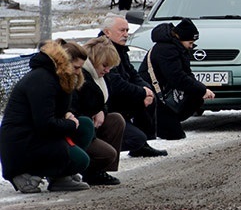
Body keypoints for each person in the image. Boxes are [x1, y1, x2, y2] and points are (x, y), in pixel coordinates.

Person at [0, 40, 95, 193]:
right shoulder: (42, 80)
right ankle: (26, 174)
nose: (78, 72)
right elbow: (45, 124)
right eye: (76, 68)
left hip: (38, 136)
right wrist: (70, 124)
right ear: (64, 63)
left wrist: (68, 115)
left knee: (85, 125)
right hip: (23, 143)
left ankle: (60, 175)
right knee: (81, 160)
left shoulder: (56, 77)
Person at [99, 14, 165, 158]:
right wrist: (141, 92)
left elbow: (133, 74)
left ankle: (143, 145)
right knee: (136, 138)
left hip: (122, 98)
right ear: (107, 32)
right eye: (121, 30)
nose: (126, 34)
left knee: (149, 96)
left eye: (127, 30)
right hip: (109, 104)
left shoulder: (120, 49)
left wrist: (146, 90)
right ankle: (109, 145)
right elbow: (115, 83)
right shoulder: (101, 51)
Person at [139, 18, 215, 140]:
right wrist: (201, 89)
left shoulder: (177, 48)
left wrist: (200, 89)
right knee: (174, 135)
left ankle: (170, 121)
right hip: (154, 97)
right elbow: (177, 77)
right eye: (190, 43)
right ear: (180, 37)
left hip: (163, 94)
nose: (191, 46)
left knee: (196, 97)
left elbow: (186, 74)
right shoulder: (167, 49)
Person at [73, 37, 127, 186]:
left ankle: (100, 170)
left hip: (91, 125)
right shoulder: (81, 77)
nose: (107, 70)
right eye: (105, 65)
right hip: (80, 128)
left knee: (116, 120)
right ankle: (90, 169)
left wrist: (101, 110)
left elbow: (101, 102)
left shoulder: (99, 77)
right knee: (108, 153)